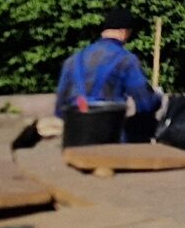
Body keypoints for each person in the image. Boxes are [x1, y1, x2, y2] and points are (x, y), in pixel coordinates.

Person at [54, 10, 162, 140]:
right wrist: (158, 96)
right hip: (110, 139)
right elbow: (146, 104)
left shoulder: (72, 61)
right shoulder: (126, 60)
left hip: (75, 139)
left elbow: (59, 109)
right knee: (146, 123)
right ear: (123, 32)